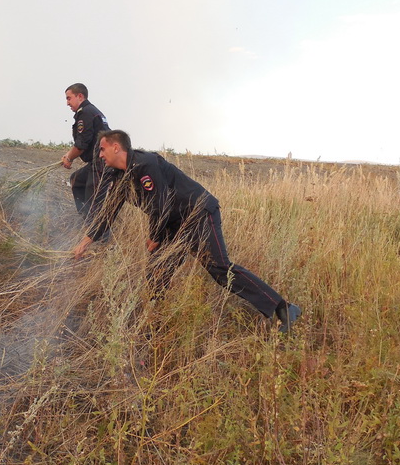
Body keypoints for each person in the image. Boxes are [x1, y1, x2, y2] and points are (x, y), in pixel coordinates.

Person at [73, 129, 302, 333]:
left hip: (199, 214)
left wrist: (154, 237)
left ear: (116, 147)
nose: (100, 155)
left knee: (220, 269)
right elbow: (109, 211)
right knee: (157, 272)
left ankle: (284, 309)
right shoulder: (119, 177)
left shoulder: (146, 164)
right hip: (175, 225)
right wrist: (86, 240)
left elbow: (159, 204)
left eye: (102, 149)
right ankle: (153, 325)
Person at [60, 83, 110, 218]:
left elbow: (82, 143)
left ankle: (98, 234)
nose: (67, 103)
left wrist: (69, 158)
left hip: (103, 162)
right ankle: (85, 220)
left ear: (80, 96)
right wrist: (69, 155)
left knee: (93, 199)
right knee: (76, 180)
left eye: (69, 98)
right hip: (97, 161)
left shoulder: (86, 112)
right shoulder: (90, 111)